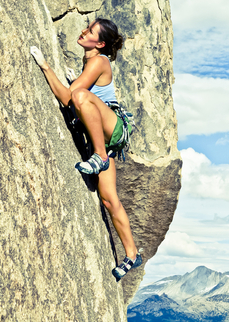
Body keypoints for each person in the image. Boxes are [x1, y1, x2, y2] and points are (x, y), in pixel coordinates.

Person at [30, 18, 141, 281]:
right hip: (104, 135)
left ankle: (99, 156)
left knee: (79, 96)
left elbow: (71, 97)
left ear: (100, 43)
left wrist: (45, 67)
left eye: (90, 31)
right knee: (109, 199)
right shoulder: (89, 63)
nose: (83, 31)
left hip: (110, 130)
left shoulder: (99, 61)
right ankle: (132, 254)